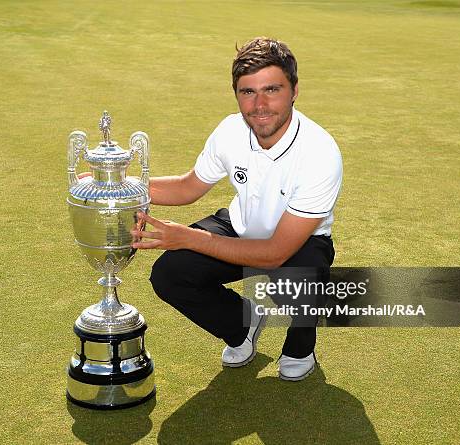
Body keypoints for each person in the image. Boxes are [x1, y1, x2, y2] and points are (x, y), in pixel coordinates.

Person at [131, 37, 343, 381]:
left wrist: (188, 237)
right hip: (240, 227)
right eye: (248, 92)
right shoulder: (230, 130)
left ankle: (301, 344)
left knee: (304, 283)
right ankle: (242, 324)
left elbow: (275, 254)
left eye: (272, 89)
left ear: (294, 90)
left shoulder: (320, 153)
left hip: (297, 244)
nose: (260, 104)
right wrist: (117, 184)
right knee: (170, 275)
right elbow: (188, 187)